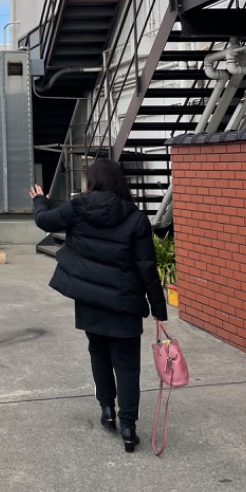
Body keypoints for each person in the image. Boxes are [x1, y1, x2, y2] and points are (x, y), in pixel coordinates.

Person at [30, 158, 167, 453]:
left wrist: (40, 200)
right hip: (124, 304)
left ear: (92, 182)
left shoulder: (79, 209)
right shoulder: (136, 218)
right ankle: (128, 428)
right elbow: (146, 268)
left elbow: (44, 220)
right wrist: (158, 308)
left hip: (91, 300)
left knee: (99, 353)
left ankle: (107, 411)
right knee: (127, 366)